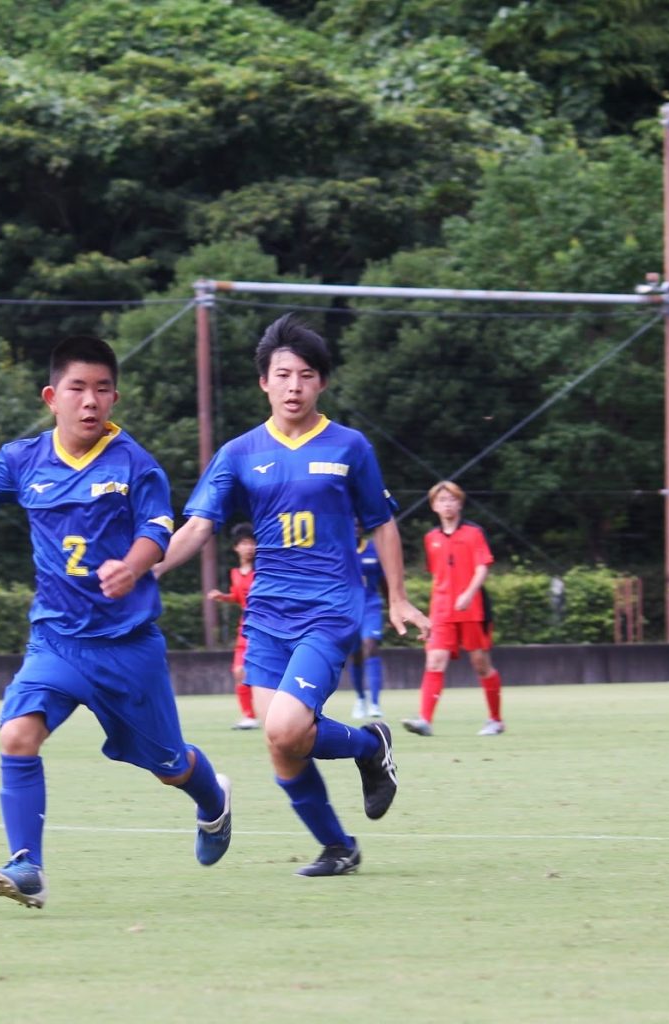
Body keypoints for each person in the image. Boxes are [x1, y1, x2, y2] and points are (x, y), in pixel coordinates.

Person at [0, 335, 233, 910]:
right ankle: (27, 865)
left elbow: (156, 533)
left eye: (102, 389)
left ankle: (213, 802)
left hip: (127, 647)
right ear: (51, 397)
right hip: (57, 641)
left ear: (114, 398)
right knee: (17, 734)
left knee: (168, 764)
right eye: (78, 389)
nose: (90, 401)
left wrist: (132, 568)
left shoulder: (137, 464)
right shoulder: (20, 460)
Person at [156, 314, 428, 878]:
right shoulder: (239, 453)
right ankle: (338, 846)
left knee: (284, 726)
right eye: (283, 374)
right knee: (284, 744)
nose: (294, 386)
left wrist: (397, 598)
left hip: (331, 606)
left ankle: (366, 747)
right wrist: (148, 568)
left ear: (321, 383)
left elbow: (382, 523)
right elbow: (200, 527)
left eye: (307, 375)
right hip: (268, 610)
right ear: (264, 381)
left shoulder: (349, 446)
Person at [402, 480, 505, 738]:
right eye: (442, 500)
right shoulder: (431, 538)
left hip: (473, 610)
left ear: (460, 503)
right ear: (434, 506)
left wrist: (469, 594)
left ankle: (495, 719)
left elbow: (483, 567)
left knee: (481, 664)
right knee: (435, 661)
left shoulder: (473, 533)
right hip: (442, 611)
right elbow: (437, 575)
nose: (447, 504)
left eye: (452, 500)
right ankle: (425, 720)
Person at [207, 522, 260, 730]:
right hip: (245, 628)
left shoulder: (264, 569)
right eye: (244, 543)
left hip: (265, 627)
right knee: (238, 671)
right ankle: (249, 716)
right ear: (236, 547)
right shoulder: (235, 573)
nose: (248, 547)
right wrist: (223, 597)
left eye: (252, 543)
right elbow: (240, 598)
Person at [348, 528, 388, 720]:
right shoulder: (338, 548)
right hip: (347, 608)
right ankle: (360, 698)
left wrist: (393, 606)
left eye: (358, 523)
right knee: (355, 655)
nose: (355, 527)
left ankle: (375, 702)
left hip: (371, 606)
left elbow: (383, 581)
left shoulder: (374, 549)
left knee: (370, 645)